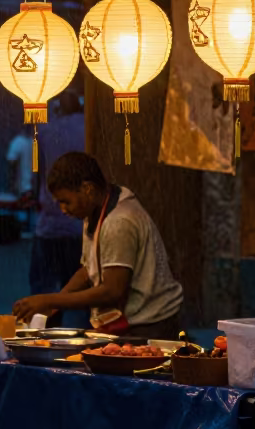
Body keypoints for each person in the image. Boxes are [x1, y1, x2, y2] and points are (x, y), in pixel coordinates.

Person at [13, 151, 183, 338]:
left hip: (150, 326)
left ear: (88, 189)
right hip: (124, 323)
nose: (63, 210)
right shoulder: (95, 210)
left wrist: (51, 300)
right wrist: (54, 304)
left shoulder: (118, 221)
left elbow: (112, 291)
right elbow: (88, 270)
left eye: (66, 201)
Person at [29, 92, 86, 312]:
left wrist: (36, 199)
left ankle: (43, 338)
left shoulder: (45, 130)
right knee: (80, 299)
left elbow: (37, 174)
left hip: (49, 225)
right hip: (79, 226)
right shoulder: (88, 128)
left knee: (43, 297)